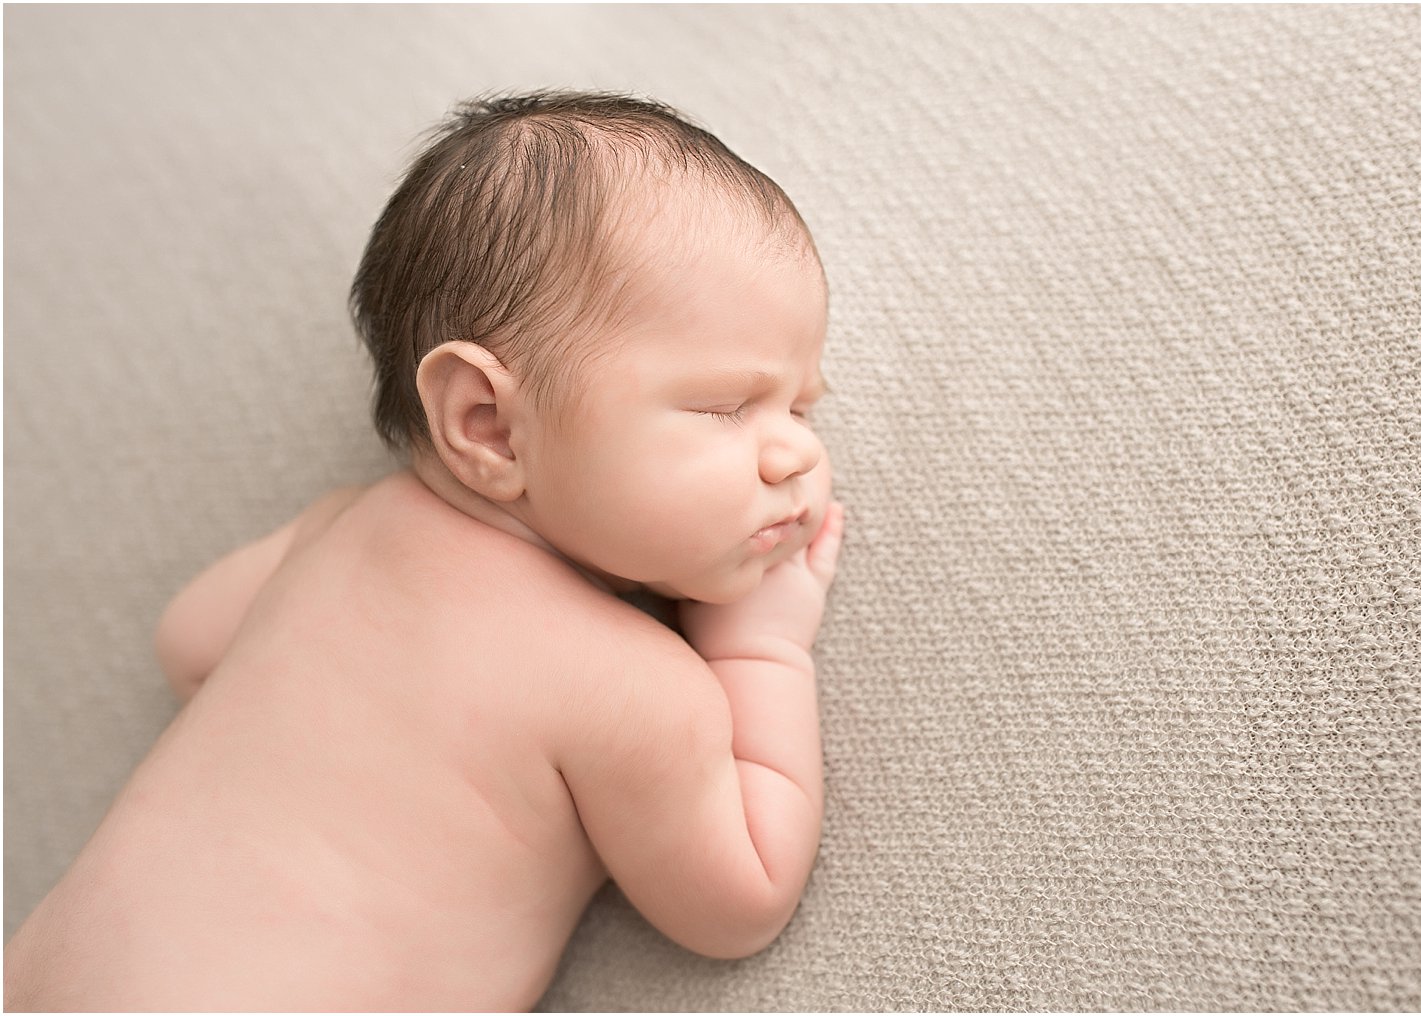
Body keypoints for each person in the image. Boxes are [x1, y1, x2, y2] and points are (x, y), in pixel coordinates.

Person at [2, 90, 845, 1012]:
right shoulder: (632, 690)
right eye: (727, 406)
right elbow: (742, 902)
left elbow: (189, 642)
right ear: (487, 424)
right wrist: (758, 649)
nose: (797, 451)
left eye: (802, 407)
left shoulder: (336, 532)